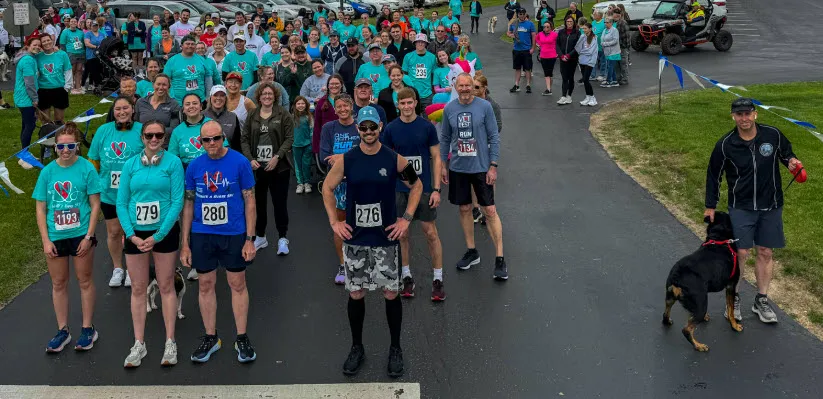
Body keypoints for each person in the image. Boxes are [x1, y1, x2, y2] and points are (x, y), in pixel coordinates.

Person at [321, 105, 422, 377]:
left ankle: (395, 348)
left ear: (380, 128)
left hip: (386, 239)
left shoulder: (393, 158)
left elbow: (417, 185)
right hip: (356, 239)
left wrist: (406, 219)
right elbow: (327, 188)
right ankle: (357, 347)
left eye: (372, 127)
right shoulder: (348, 159)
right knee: (356, 294)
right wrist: (334, 222)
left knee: (391, 293)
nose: (368, 132)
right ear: (358, 129)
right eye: (363, 128)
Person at [705, 98, 801, 325]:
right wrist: (710, 205)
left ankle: (761, 300)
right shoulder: (725, 144)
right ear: (733, 117)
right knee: (741, 253)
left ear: (755, 114)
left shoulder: (772, 135)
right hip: (741, 207)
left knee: (766, 252)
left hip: (771, 205)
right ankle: (734, 298)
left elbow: (786, 153)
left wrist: (792, 163)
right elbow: (713, 175)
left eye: (748, 113)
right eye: (739, 114)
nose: (744, 118)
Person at [180, 120, 258, 363]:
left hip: (233, 233)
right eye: (206, 140)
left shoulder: (240, 162)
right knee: (205, 284)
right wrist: (185, 243)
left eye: (216, 138)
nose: (212, 144)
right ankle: (211, 336)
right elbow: (189, 204)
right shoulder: (194, 166)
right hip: (203, 234)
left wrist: (249, 239)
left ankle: (242, 337)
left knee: (237, 283)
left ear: (224, 137)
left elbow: (250, 201)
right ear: (199, 142)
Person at [117, 121, 184, 368]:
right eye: (149, 135)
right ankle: (139, 344)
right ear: (142, 137)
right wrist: (132, 235)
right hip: (136, 234)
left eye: (158, 135)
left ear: (164, 137)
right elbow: (121, 203)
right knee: (138, 288)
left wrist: (158, 235)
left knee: (166, 285)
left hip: (163, 231)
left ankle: (170, 341)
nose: (154, 139)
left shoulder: (173, 163)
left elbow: (177, 201)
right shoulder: (130, 165)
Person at [34, 123, 101, 353]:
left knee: (84, 280)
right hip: (55, 236)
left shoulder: (87, 169)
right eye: (61, 146)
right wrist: (45, 240)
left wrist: (89, 236)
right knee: (59, 283)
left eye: (70, 145)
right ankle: (62, 330)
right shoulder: (47, 172)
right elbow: (41, 208)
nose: (65, 150)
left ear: (77, 146)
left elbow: (95, 205)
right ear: (55, 147)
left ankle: (87, 328)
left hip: (80, 234)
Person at [439, 74, 506, 280]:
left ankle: (500, 258)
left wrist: (493, 165)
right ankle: (471, 251)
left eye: (469, 85)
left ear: (473, 87)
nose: (466, 88)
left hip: (481, 167)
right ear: (455, 87)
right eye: (462, 85)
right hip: (459, 167)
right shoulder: (450, 109)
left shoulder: (484, 107)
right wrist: (443, 165)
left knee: (489, 210)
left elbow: (494, 136)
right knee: (465, 208)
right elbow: (445, 137)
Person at [381, 88, 444, 301]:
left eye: (410, 103)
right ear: (398, 105)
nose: (407, 107)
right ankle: (406, 276)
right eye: (403, 103)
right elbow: (386, 161)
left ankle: (438, 279)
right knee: (402, 233)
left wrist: (436, 189)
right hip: (400, 190)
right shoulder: (390, 129)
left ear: (416, 103)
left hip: (425, 188)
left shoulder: (427, 127)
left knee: (430, 232)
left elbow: (436, 157)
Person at [88, 98, 145, 288]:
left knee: (134, 231)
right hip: (109, 193)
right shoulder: (104, 131)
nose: (122, 112)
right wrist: (93, 187)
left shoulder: (141, 130)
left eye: (125, 108)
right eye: (118, 108)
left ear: (133, 110)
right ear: (113, 111)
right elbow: (93, 161)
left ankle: (132, 268)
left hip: (136, 193)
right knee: (113, 232)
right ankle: (117, 268)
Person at [241, 83, 294, 254]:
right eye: (264, 94)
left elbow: (289, 138)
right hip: (258, 168)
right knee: (259, 203)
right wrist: (250, 159)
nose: (267, 96)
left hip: (279, 168)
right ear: (259, 97)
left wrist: (277, 156)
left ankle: (282, 238)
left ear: (275, 96)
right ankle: (261, 236)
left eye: (270, 94)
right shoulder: (253, 114)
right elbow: (245, 139)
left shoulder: (283, 114)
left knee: (280, 203)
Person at [318, 94, 360, 284]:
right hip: (339, 185)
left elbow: (367, 151)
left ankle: (360, 261)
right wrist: (351, 156)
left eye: (346, 106)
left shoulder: (360, 127)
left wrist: (341, 157)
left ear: (352, 107)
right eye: (339, 106)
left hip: (360, 182)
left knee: (363, 223)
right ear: (335, 109)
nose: (343, 109)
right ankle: (343, 264)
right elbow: (324, 157)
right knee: (340, 225)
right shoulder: (329, 128)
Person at [169, 93, 219, 167]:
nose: (191, 106)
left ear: (201, 106)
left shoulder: (212, 124)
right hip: (187, 170)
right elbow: (173, 158)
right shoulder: (177, 131)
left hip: (213, 166)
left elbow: (224, 148)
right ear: (183, 109)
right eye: (187, 104)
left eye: (195, 103)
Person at [163, 35, 218, 103]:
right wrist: (170, 96)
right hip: (178, 101)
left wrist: (208, 97)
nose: (190, 46)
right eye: (187, 44)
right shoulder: (172, 61)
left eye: (192, 44)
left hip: (199, 101)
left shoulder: (202, 59)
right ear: (182, 46)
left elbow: (208, 79)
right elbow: (165, 80)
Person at [34, 34, 72, 125]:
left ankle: (59, 137)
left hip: (59, 89)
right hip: (43, 90)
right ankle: (46, 137)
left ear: (52, 40)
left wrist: (67, 87)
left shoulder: (62, 54)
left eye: (48, 40)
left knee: (59, 120)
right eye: (44, 41)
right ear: (41, 44)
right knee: (45, 120)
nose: (47, 42)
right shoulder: (38, 56)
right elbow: (35, 74)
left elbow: (68, 70)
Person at [135, 73, 181, 144]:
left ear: (169, 87)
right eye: (158, 84)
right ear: (153, 85)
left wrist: (153, 132)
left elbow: (173, 129)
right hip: (143, 144)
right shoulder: (141, 102)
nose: (161, 87)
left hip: (164, 145)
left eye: (164, 85)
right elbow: (136, 125)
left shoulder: (174, 104)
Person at [15, 36, 41, 158]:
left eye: (38, 45)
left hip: (22, 97)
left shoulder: (30, 58)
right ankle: (25, 153)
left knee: (25, 124)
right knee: (30, 126)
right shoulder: (27, 60)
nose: (37, 47)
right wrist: (34, 99)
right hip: (26, 98)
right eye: (34, 45)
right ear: (28, 46)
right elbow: (29, 82)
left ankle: (23, 151)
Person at [402, 34, 437, 110]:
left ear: (426, 43)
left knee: (427, 119)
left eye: (422, 42)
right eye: (418, 42)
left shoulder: (432, 57)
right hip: (412, 94)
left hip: (427, 94)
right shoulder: (408, 56)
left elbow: (434, 75)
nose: (420, 44)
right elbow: (404, 74)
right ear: (415, 43)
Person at [312, 74, 344, 154]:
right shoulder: (321, 102)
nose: (334, 86)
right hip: (327, 142)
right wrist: (316, 147)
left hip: (344, 140)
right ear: (328, 86)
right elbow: (317, 126)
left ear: (341, 85)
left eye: (337, 84)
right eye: (331, 84)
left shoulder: (347, 100)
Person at [204, 85, 243, 153]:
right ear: (210, 98)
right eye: (215, 95)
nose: (218, 98)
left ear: (226, 98)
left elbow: (237, 144)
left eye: (222, 95)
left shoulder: (232, 117)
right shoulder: (202, 116)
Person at [507, 8, 536, 94]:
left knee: (527, 69)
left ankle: (528, 85)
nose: (522, 15)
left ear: (525, 14)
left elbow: (534, 36)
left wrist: (533, 48)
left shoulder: (530, 24)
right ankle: (516, 85)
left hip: (526, 49)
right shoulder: (514, 23)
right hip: (517, 49)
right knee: (517, 68)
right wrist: (510, 35)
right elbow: (508, 32)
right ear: (518, 14)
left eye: (523, 14)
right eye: (520, 14)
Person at [555, 16, 580, 105]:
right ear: (565, 22)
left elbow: (578, 46)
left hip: (572, 58)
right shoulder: (561, 32)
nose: (569, 23)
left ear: (574, 23)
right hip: (562, 59)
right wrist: (561, 55)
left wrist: (569, 55)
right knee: (564, 77)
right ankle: (563, 96)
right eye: (567, 21)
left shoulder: (577, 33)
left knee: (570, 77)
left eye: (571, 22)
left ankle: (569, 95)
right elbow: (557, 44)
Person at [291, 96, 314, 194]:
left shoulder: (309, 117)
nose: (300, 105)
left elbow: (312, 130)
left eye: (303, 103)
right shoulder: (291, 117)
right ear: (295, 105)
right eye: (298, 103)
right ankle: (300, 183)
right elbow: (289, 131)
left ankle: (307, 182)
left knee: (306, 164)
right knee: (298, 165)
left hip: (307, 145)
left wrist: (311, 143)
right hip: (295, 145)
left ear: (306, 105)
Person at [58, 18, 85, 94]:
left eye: (75, 21)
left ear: (77, 23)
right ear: (69, 23)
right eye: (72, 21)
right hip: (70, 53)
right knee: (72, 70)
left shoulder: (81, 32)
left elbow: (83, 42)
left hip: (80, 52)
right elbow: (62, 44)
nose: (73, 23)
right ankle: (72, 87)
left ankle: (78, 87)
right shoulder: (65, 32)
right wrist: (64, 55)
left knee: (79, 70)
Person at [575, 23, 598, 106]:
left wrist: (581, 52)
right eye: (583, 29)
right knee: (585, 81)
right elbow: (577, 47)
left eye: (585, 28)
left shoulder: (594, 38)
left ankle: (593, 98)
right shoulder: (582, 36)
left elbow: (590, 51)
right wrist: (581, 52)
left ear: (590, 29)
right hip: (582, 61)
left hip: (590, 61)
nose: (584, 30)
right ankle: (587, 97)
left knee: (585, 79)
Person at [535, 21, 557, 96]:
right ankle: (548, 89)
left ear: (551, 27)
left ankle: (549, 88)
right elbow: (536, 38)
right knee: (546, 73)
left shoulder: (554, 34)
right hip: (543, 55)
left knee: (550, 73)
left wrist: (556, 49)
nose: (545, 28)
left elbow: (559, 42)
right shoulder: (540, 34)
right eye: (544, 26)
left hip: (552, 55)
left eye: (547, 27)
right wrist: (539, 44)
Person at [599, 17, 620, 89]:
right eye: (605, 22)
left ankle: (608, 81)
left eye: (607, 22)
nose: (605, 24)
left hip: (614, 52)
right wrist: (603, 44)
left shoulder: (614, 30)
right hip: (607, 52)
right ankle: (614, 81)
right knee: (611, 66)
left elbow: (615, 41)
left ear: (611, 23)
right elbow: (602, 39)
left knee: (610, 66)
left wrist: (605, 44)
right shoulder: (604, 30)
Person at [613, 9, 630, 86]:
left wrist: (624, 46)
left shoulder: (623, 23)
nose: (615, 15)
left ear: (620, 15)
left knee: (623, 64)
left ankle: (625, 79)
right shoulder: (614, 23)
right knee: (616, 64)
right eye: (614, 14)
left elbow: (626, 36)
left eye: (617, 14)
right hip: (616, 47)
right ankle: (618, 78)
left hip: (622, 47)